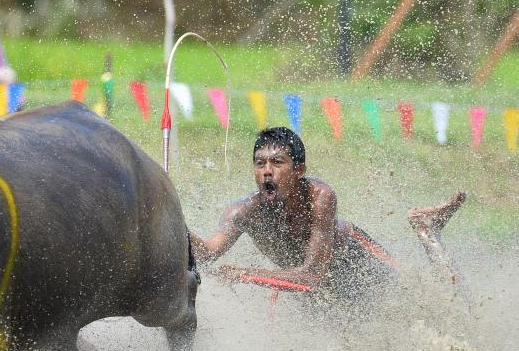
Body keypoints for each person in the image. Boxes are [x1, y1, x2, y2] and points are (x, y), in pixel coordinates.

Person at [190, 127, 466, 305]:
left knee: (431, 302)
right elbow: (206, 253)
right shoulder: (242, 212)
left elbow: (312, 273)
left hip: (357, 261)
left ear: (299, 171)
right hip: (314, 290)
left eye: (277, 162)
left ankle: (426, 229)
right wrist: (175, 225)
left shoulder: (320, 196)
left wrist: (244, 273)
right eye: (260, 163)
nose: (267, 171)